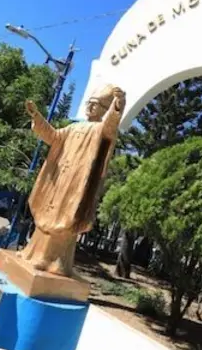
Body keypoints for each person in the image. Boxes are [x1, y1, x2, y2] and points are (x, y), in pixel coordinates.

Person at [18, 85, 126, 276]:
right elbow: (53, 136)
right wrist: (37, 116)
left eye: (95, 104)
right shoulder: (73, 127)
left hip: (75, 185)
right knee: (46, 215)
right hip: (59, 180)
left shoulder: (100, 130)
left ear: (104, 109)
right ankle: (32, 253)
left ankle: (51, 260)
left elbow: (111, 124)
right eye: (89, 103)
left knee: (63, 221)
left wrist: (118, 104)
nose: (90, 107)